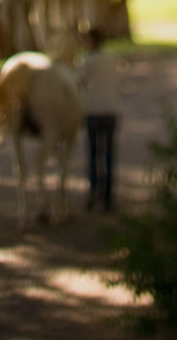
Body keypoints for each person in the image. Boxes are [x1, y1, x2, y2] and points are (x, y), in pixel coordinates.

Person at [80, 27, 120, 213]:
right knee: (109, 155)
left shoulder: (88, 61)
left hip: (93, 112)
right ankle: (108, 196)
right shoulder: (112, 59)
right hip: (111, 111)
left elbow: (78, 82)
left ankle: (94, 190)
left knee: (94, 155)